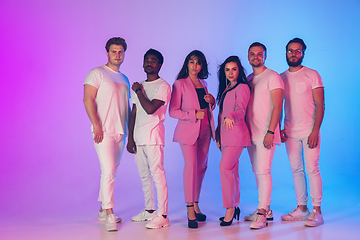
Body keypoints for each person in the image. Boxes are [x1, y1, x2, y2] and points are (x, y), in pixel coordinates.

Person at [83, 37, 130, 231]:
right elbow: (88, 100)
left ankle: (103, 208)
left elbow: (125, 106)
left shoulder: (124, 78)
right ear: (107, 53)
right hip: (103, 131)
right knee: (108, 171)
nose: (117, 55)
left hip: (121, 131)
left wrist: (129, 133)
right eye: (114, 52)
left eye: (120, 52)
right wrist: (96, 125)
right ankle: (110, 213)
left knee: (112, 172)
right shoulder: (97, 73)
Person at [280, 38, 325, 227]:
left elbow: (320, 105)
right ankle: (302, 208)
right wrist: (278, 129)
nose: (293, 54)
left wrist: (315, 130)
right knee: (296, 170)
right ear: (286, 53)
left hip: (309, 131)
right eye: (290, 51)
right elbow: (275, 105)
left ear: (303, 54)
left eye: (297, 51)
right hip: (290, 131)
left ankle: (317, 211)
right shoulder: (281, 77)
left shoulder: (312, 75)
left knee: (312, 168)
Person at [169, 50, 215, 229]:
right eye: (191, 62)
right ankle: (189, 208)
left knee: (201, 168)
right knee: (190, 167)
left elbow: (207, 106)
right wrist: (193, 114)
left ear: (202, 66)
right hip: (188, 131)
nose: (195, 66)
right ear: (187, 64)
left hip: (205, 130)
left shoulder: (203, 83)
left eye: (198, 63)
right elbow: (173, 111)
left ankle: (196, 203)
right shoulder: (179, 84)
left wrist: (212, 101)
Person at [127, 49, 171, 229]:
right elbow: (135, 113)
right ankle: (150, 210)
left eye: (153, 60)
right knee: (144, 175)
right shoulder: (141, 85)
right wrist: (131, 138)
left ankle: (163, 215)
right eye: (147, 60)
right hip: (139, 137)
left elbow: (151, 108)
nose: (149, 63)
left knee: (157, 174)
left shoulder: (163, 86)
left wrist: (138, 91)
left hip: (153, 136)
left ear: (160, 65)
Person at [245, 42, 284, 229]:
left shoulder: (273, 77)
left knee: (263, 171)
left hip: (265, 133)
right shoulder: (248, 78)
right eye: (252, 54)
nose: (256, 57)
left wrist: (271, 131)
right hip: (250, 134)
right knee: (257, 171)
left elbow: (278, 106)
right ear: (248, 56)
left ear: (265, 56)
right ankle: (265, 208)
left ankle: (261, 213)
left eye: (259, 54)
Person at [215, 56, 251, 226]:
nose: (230, 72)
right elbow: (221, 113)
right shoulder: (226, 88)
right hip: (225, 136)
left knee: (224, 168)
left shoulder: (243, 87)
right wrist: (218, 134)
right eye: (227, 69)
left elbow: (240, 110)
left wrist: (230, 116)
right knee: (233, 171)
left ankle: (229, 208)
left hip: (237, 135)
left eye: (234, 69)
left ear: (239, 70)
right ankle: (235, 205)